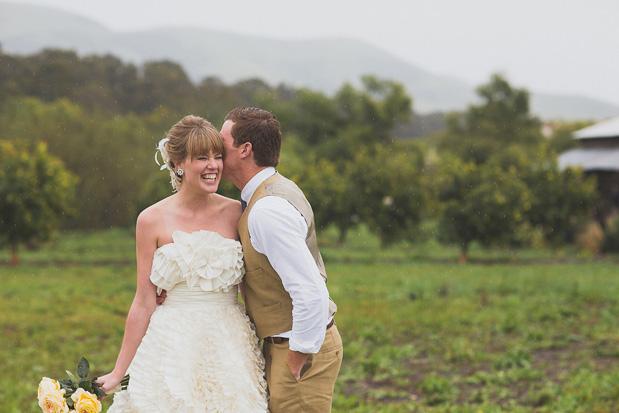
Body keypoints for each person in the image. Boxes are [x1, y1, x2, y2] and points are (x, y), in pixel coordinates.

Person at [96, 115, 268, 412]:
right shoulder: (150, 220)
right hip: (171, 343)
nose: (213, 165)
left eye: (217, 156)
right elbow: (144, 300)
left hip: (228, 342)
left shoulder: (238, 213)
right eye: (202, 157)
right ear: (177, 163)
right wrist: (118, 371)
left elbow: (258, 283)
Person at [220, 107, 343, 412]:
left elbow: (310, 290)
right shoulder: (265, 195)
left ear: (245, 149)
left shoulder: (268, 209)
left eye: (221, 143)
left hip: (298, 348)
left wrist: (298, 354)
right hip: (284, 344)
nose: (213, 150)